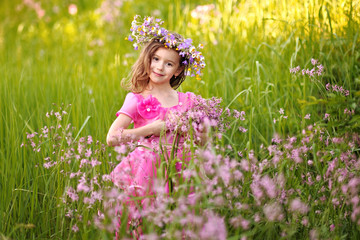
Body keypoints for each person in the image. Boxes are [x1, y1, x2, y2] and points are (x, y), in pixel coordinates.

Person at [106, 16, 206, 204]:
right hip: (148, 173)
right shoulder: (136, 99)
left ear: (177, 70)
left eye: (169, 64)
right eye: (156, 59)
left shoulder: (189, 101)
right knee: (147, 219)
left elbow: (203, 142)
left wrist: (191, 130)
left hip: (181, 172)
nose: (160, 67)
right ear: (148, 60)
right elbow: (111, 138)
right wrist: (151, 130)